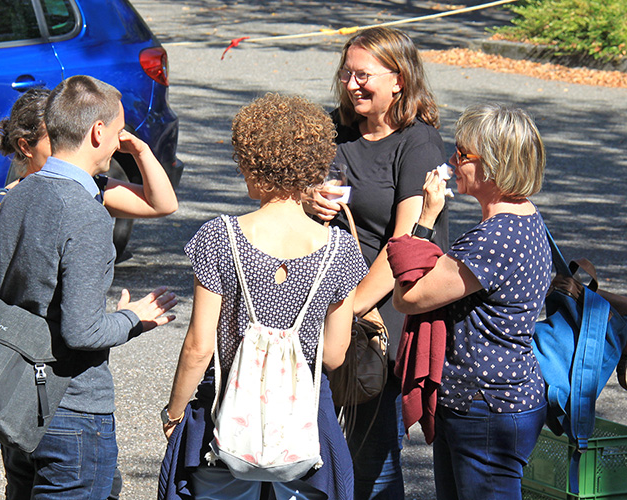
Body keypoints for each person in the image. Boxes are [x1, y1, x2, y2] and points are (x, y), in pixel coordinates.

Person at [158, 93, 368, 500]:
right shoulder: (341, 250)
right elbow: (335, 354)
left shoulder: (220, 237)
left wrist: (175, 412)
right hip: (302, 423)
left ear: (253, 163)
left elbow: (200, 345)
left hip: (227, 417)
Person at [0, 75, 178, 499]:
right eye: (117, 132)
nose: (117, 143)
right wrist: (135, 318)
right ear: (96, 132)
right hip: (71, 411)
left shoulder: (16, 196)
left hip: (18, 404)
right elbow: (82, 332)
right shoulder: (86, 214)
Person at [301, 26, 449, 500]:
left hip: (378, 313)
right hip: (329, 301)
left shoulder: (418, 143)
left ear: (399, 79)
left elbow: (405, 242)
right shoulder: (334, 130)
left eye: (363, 75)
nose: (351, 84)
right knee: (319, 441)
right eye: (346, 73)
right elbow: (295, 195)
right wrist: (308, 198)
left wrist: (353, 308)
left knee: (371, 456)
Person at [389, 103, 552, 500]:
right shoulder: (526, 217)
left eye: (463, 154)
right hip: (501, 398)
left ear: (494, 166)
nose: (452, 160)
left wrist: (425, 218)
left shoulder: (493, 239)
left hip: (485, 407)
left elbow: (408, 296)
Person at [0, 85, 178, 294]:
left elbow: (162, 204)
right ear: (25, 147)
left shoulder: (89, 187)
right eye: (54, 140)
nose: (64, 147)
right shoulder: (3, 202)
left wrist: (141, 152)